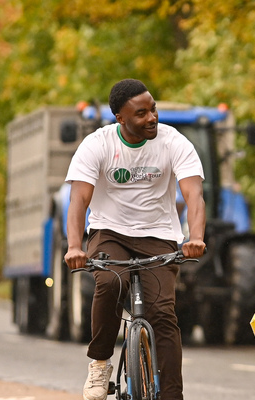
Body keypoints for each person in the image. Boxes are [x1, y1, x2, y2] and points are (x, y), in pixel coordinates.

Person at [64, 78, 207, 400]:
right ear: (121, 119)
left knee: (162, 315)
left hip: (158, 235)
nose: (152, 117)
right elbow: (78, 201)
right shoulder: (97, 145)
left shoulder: (174, 142)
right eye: (141, 113)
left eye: (153, 109)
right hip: (109, 233)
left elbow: (194, 195)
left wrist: (195, 237)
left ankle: (172, 395)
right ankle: (100, 362)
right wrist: (75, 246)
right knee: (111, 284)